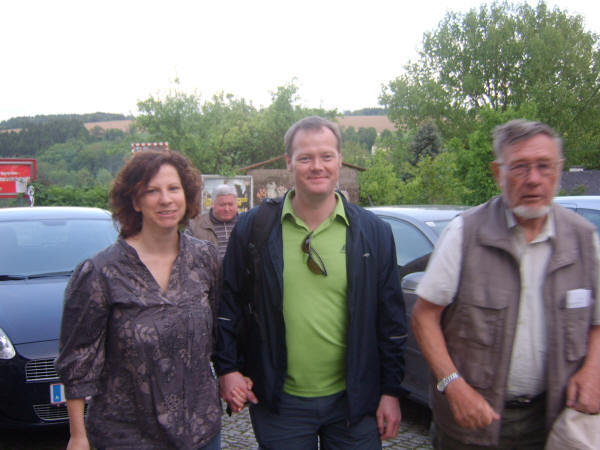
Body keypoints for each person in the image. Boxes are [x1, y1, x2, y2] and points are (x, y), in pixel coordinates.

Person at [214, 116, 407, 449]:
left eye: (326, 156)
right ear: (289, 162)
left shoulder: (374, 233)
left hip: (355, 402)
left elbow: (391, 319)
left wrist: (390, 391)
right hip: (280, 403)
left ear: (340, 160)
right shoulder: (253, 228)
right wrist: (227, 369)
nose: (317, 166)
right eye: (305, 158)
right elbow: (228, 303)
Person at [411, 119, 600, 449]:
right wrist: (453, 385)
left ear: (559, 170)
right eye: (520, 167)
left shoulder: (583, 239)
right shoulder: (465, 233)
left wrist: (593, 370)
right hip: (473, 423)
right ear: (498, 173)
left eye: (544, 166)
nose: (534, 179)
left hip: (553, 420)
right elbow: (424, 316)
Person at [56, 150, 221, 450]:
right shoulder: (100, 272)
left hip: (200, 432)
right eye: (151, 191)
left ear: (187, 196)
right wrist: (78, 436)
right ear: (135, 202)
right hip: (127, 435)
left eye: (173, 188)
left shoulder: (205, 258)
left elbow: (222, 331)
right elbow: (77, 359)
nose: (165, 199)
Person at [188, 183, 238, 260]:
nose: (227, 209)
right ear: (213, 204)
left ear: (236, 205)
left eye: (230, 204)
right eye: (222, 205)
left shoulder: (246, 224)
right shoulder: (195, 226)